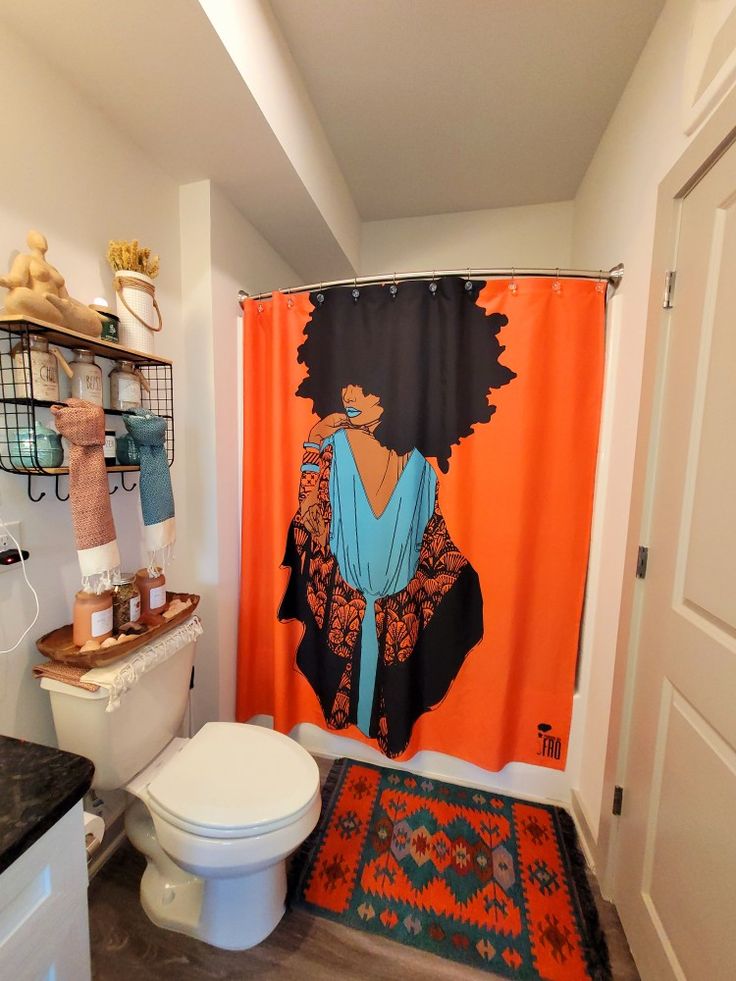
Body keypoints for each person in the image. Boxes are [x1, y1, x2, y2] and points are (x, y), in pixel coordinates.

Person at [278, 277, 515, 757]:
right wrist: (314, 443)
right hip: (349, 615)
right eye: (345, 378)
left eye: (364, 385)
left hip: (385, 618)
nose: (349, 391)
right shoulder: (338, 448)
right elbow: (311, 524)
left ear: (394, 393)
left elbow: (434, 546)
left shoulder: (422, 471)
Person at [0, 230, 102, 336]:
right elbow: (17, 279)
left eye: (43, 238)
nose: (42, 240)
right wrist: (4, 280)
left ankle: (66, 317)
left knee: (97, 325)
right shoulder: (25, 258)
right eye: (37, 237)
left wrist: (87, 310)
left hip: (61, 307)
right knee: (16, 296)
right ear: (29, 242)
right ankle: (65, 322)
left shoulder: (54, 269)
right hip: (44, 305)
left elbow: (66, 298)